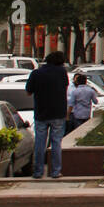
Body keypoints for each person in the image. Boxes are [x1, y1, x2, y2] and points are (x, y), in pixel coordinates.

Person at [25, 51, 69, 179]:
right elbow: (65, 88)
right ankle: (55, 171)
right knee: (56, 143)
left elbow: (28, 92)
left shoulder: (36, 73)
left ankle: (38, 172)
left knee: (40, 143)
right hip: (58, 112)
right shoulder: (62, 73)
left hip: (41, 112)